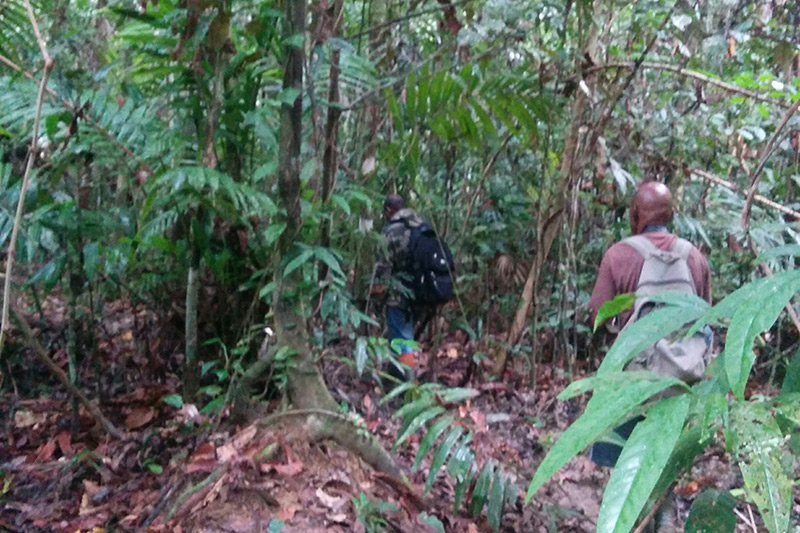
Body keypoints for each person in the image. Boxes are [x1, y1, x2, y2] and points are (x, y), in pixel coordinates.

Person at [586, 181, 713, 531]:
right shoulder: (695, 258)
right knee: (663, 462)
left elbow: (600, 318)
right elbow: (704, 321)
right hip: (680, 383)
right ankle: (665, 517)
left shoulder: (618, 255)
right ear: (671, 216)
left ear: (635, 215)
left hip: (632, 383)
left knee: (627, 468)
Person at [373, 194, 426, 381]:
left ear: (389, 211)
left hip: (399, 294)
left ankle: (410, 388)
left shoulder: (390, 232)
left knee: (404, 340)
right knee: (399, 337)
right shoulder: (422, 226)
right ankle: (393, 378)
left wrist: (378, 297)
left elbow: (383, 269)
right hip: (423, 293)